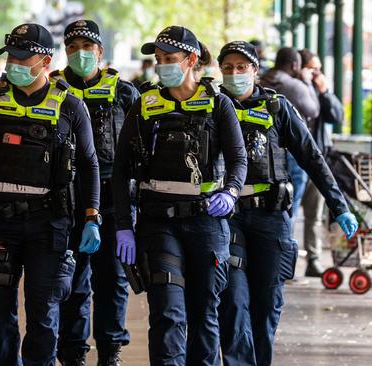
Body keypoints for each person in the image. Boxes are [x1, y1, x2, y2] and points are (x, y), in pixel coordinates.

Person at [0, 23, 101, 366]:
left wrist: (91, 217)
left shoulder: (71, 107)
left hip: (49, 224)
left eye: (22, 58)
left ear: (45, 61)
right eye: (10, 56)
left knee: (43, 312)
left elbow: (89, 165)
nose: (13, 63)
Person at [216, 41, 359, 366]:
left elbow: (312, 158)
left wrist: (340, 206)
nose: (234, 74)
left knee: (267, 306)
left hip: (271, 217)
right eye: (228, 68)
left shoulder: (277, 108)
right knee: (234, 303)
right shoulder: (212, 108)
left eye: (241, 68)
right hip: (229, 221)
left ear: (255, 70)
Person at [113, 26, 248, 365]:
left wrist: (231, 193)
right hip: (159, 223)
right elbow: (121, 170)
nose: (162, 66)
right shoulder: (145, 105)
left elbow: (238, 160)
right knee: (167, 313)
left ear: (190, 60)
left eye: (169, 59)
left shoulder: (219, 104)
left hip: (206, 222)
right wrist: (123, 225)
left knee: (204, 315)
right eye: (158, 60)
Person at [49, 19, 140, 366]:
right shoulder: (53, 89)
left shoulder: (124, 92)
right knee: (70, 278)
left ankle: (110, 351)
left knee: (113, 280)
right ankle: (72, 352)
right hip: (67, 200)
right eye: (72, 48)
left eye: (87, 48)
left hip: (114, 200)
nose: (80, 54)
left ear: (100, 52)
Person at [261, 47, 321, 233]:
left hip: (266, 150)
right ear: (295, 65)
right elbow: (314, 110)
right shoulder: (295, 86)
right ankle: (285, 241)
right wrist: (308, 83)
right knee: (290, 204)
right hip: (292, 151)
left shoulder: (262, 81)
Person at [297, 48, 345, 277]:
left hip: (317, 158)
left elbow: (337, 116)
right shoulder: (293, 90)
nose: (316, 74)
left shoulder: (318, 91)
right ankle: (286, 259)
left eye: (318, 69)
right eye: (312, 69)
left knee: (314, 214)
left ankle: (313, 259)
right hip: (294, 161)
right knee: (287, 211)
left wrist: (324, 91)